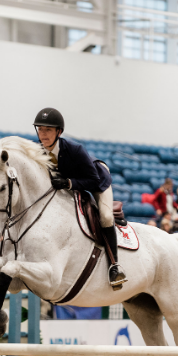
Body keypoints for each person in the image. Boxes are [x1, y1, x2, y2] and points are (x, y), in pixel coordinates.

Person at [33, 107, 125, 289]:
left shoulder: (75, 150)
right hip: (69, 186)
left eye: (48, 130)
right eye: (40, 129)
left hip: (97, 180)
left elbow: (93, 179)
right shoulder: (37, 152)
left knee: (106, 216)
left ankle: (115, 266)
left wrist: (68, 183)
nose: (43, 134)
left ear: (59, 132)